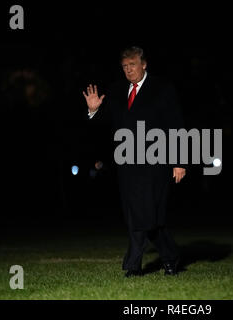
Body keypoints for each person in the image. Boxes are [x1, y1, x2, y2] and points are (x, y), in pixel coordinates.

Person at [82, 46, 186, 277]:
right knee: (140, 216)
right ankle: (170, 256)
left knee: (146, 213)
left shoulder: (162, 88)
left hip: (156, 161)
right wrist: (93, 111)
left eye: (132, 65)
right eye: (124, 66)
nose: (128, 70)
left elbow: (176, 124)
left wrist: (179, 161)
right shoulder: (118, 90)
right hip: (127, 164)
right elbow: (107, 123)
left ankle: (133, 265)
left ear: (144, 64)